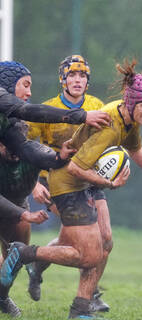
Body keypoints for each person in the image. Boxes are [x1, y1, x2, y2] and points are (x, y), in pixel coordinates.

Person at [1, 59, 142, 319]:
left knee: (100, 245)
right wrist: (37, 183)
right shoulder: (103, 125)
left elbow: (133, 147)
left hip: (85, 178)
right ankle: (26, 256)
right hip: (68, 181)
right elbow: (52, 153)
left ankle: (82, 307)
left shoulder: (116, 113)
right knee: (88, 254)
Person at [0, 61, 95, 317]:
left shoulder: (9, 125)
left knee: (15, 256)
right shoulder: (3, 99)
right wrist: (81, 116)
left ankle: (2, 297)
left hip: (17, 203)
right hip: (13, 207)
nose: (30, 92)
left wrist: (58, 157)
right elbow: (31, 111)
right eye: (26, 85)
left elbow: (27, 148)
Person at [27, 55, 110, 312]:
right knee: (83, 243)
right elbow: (27, 150)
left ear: (88, 81)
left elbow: (109, 141)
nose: (77, 80)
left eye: (83, 75)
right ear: (62, 79)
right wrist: (34, 185)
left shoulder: (98, 105)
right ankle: (84, 297)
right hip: (55, 181)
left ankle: (88, 292)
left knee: (105, 239)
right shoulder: (47, 110)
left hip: (88, 180)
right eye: (72, 75)